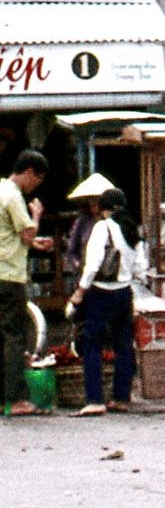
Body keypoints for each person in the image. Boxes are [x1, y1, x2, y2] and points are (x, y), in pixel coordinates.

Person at [68, 188, 140, 416]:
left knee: (92, 343)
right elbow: (141, 266)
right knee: (124, 345)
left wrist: (80, 291)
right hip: (124, 292)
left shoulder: (102, 227)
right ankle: (121, 398)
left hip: (101, 292)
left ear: (103, 208)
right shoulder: (133, 229)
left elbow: (93, 264)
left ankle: (95, 400)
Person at [0, 150, 54, 416]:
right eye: (38, 180)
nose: (36, 186)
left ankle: (3, 398)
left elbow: (11, 236)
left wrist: (33, 243)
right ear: (30, 172)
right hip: (9, 276)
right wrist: (36, 214)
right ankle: (17, 399)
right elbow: (26, 233)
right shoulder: (13, 196)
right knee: (14, 337)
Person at [59, 172, 117, 287]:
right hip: (86, 278)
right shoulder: (82, 222)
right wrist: (77, 265)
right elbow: (71, 249)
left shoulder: (115, 223)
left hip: (111, 279)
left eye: (97, 199)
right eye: (91, 199)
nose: (93, 203)